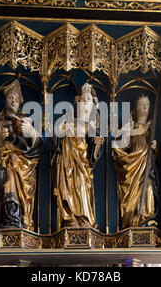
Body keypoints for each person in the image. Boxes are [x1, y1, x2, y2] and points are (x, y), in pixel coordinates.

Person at [0, 80, 43, 230]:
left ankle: (21, 219)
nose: (13, 100)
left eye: (16, 98)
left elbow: (38, 147)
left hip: (24, 165)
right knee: (9, 174)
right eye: (10, 97)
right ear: (5, 100)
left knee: (14, 166)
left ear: (20, 102)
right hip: (7, 164)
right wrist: (1, 141)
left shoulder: (26, 121)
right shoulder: (0, 122)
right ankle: (10, 219)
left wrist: (31, 133)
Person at [52, 83, 104, 229]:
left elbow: (95, 146)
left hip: (82, 164)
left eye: (87, 100)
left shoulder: (90, 126)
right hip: (66, 162)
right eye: (82, 99)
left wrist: (97, 143)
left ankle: (84, 219)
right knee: (66, 189)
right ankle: (69, 219)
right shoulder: (68, 120)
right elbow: (56, 137)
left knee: (82, 187)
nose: (84, 102)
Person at [113, 94, 159, 229]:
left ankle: (146, 218)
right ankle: (132, 220)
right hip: (132, 162)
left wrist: (155, 148)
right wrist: (131, 132)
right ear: (135, 108)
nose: (144, 106)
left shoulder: (152, 127)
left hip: (145, 164)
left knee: (148, 186)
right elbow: (122, 142)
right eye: (141, 104)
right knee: (131, 192)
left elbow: (155, 153)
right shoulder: (131, 125)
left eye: (147, 104)